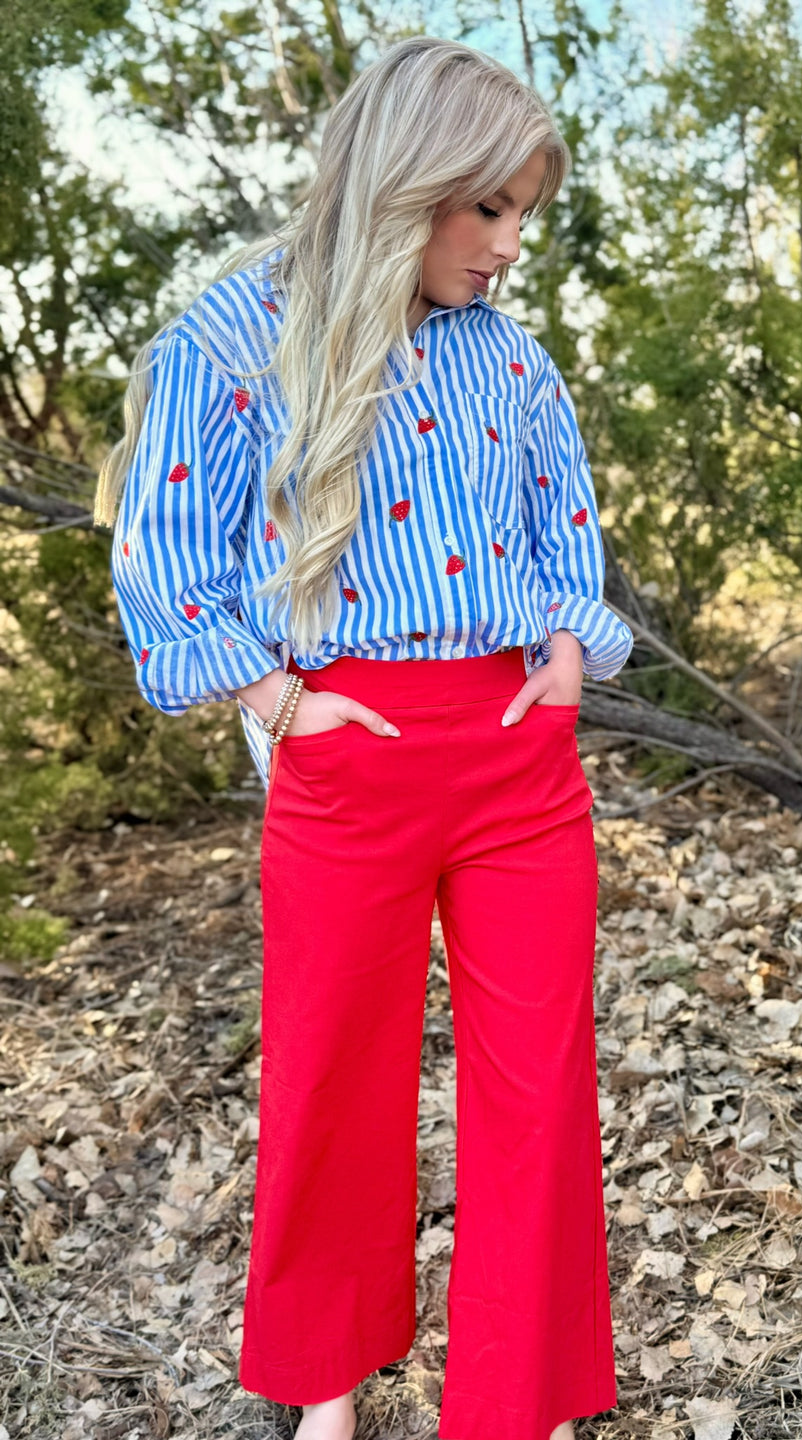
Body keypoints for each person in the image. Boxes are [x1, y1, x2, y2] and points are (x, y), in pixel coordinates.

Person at [94, 34, 635, 1440]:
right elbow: (163, 561)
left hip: (517, 761)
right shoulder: (228, 338)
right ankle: (324, 1400)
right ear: (409, 182)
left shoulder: (508, 360)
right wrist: (277, 702)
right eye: (490, 210)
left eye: (525, 214)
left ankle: (512, 1409)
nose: (510, 247)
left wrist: (572, 651)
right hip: (350, 756)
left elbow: (564, 539)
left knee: (537, 1093)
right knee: (335, 1077)